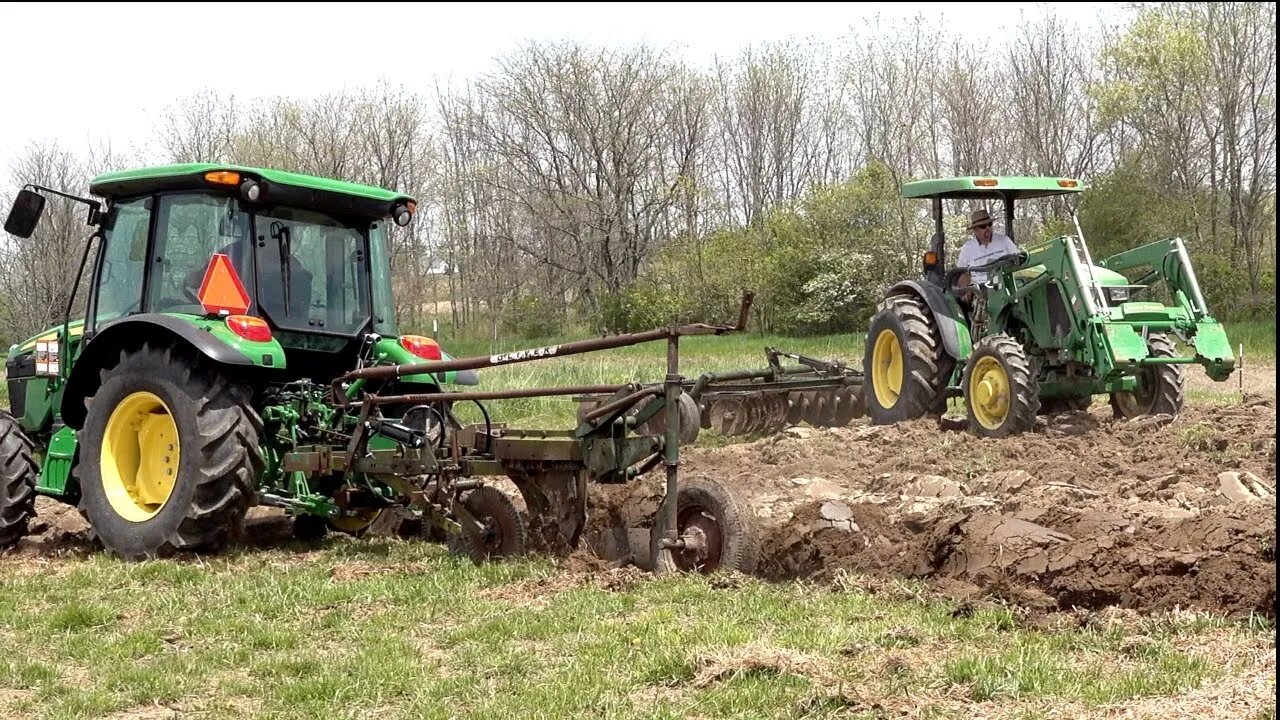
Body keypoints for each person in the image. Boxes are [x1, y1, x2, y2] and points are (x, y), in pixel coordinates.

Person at [955, 208, 1019, 291]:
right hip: (980, 289)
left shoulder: (1004, 240)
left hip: (1005, 285)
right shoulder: (967, 248)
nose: (987, 228)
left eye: (989, 224)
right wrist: (964, 291)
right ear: (975, 230)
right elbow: (962, 274)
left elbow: (1018, 260)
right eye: (983, 226)